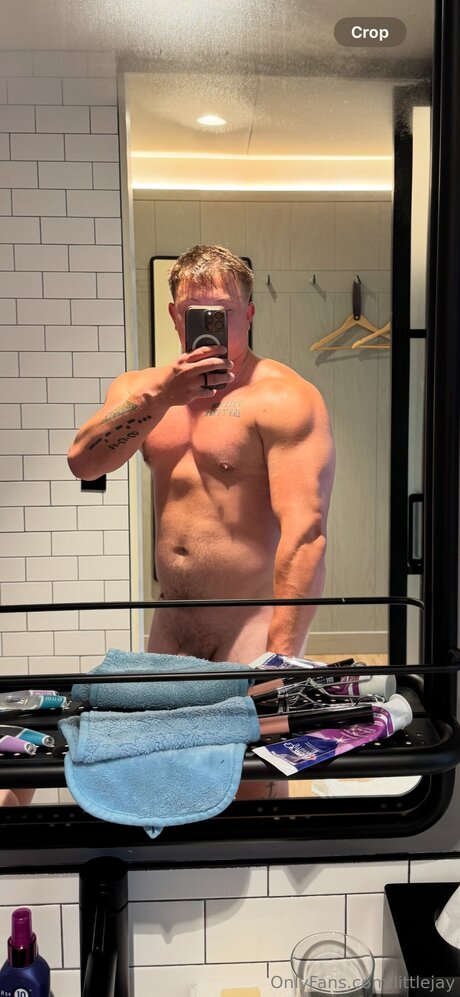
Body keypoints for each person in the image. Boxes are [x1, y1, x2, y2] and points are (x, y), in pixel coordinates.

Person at [68, 245, 335, 663]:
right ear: (175, 316)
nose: (213, 325)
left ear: (248, 315)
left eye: (224, 312)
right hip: (169, 623)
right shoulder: (140, 390)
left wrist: (280, 659)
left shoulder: (283, 398)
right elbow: (84, 464)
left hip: (249, 625)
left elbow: (306, 536)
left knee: (247, 712)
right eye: (196, 313)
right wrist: (163, 396)